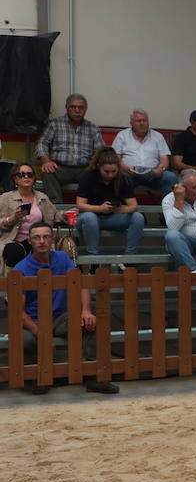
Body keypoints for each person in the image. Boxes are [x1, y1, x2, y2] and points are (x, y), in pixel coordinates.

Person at [14, 221, 120, 395]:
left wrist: (85, 310)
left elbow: (81, 284)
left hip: (61, 317)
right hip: (35, 320)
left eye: (46, 237)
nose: (41, 241)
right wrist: (37, 330)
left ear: (52, 239)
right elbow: (18, 310)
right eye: (36, 237)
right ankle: (38, 378)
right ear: (30, 241)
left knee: (92, 324)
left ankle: (95, 377)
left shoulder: (62, 258)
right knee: (26, 339)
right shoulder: (21, 269)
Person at [75, 147, 146, 263]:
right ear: (99, 167)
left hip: (113, 217)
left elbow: (133, 205)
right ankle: (93, 259)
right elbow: (80, 205)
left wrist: (121, 210)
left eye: (114, 171)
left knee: (138, 217)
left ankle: (130, 258)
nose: (110, 175)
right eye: (106, 171)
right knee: (89, 217)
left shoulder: (123, 178)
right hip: (91, 217)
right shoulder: (88, 176)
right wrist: (100, 208)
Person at [35, 93, 104, 203]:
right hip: (60, 168)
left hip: (85, 169)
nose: (77, 110)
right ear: (67, 108)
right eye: (73, 107)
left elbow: (101, 151)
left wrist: (95, 165)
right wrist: (46, 161)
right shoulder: (55, 124)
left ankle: (93, 208)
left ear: (86, 109)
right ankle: (57, 207)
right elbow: (41, 144)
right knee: (48, 172)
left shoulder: (93, 128)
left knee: (101, 173)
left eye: (81, 107)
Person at [1, 162, 60, 269]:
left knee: (42, 249)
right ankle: (15, 281)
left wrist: (65, 215)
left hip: (37, 240)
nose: (26, 177)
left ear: (34, 179)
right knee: (14, 251)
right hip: (13, 240)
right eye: (21, 175)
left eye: (30, 174)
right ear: (15, 179)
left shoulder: (42, 197)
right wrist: (14, 218)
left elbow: (54, 215)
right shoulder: (5, 198)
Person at [111, 109, 177, 196]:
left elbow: (164, 159)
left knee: (170, 177)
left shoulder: (158, 136)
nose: (142, 123)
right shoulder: (122, 135)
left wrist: (161, 169)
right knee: (121, 177)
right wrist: (128, 169)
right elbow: (115, 159)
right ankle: (125, 207)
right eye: (138, 121)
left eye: (144, 120)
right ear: (131, 123)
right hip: (129, 173)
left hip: (153, 174)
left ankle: (168, 208)